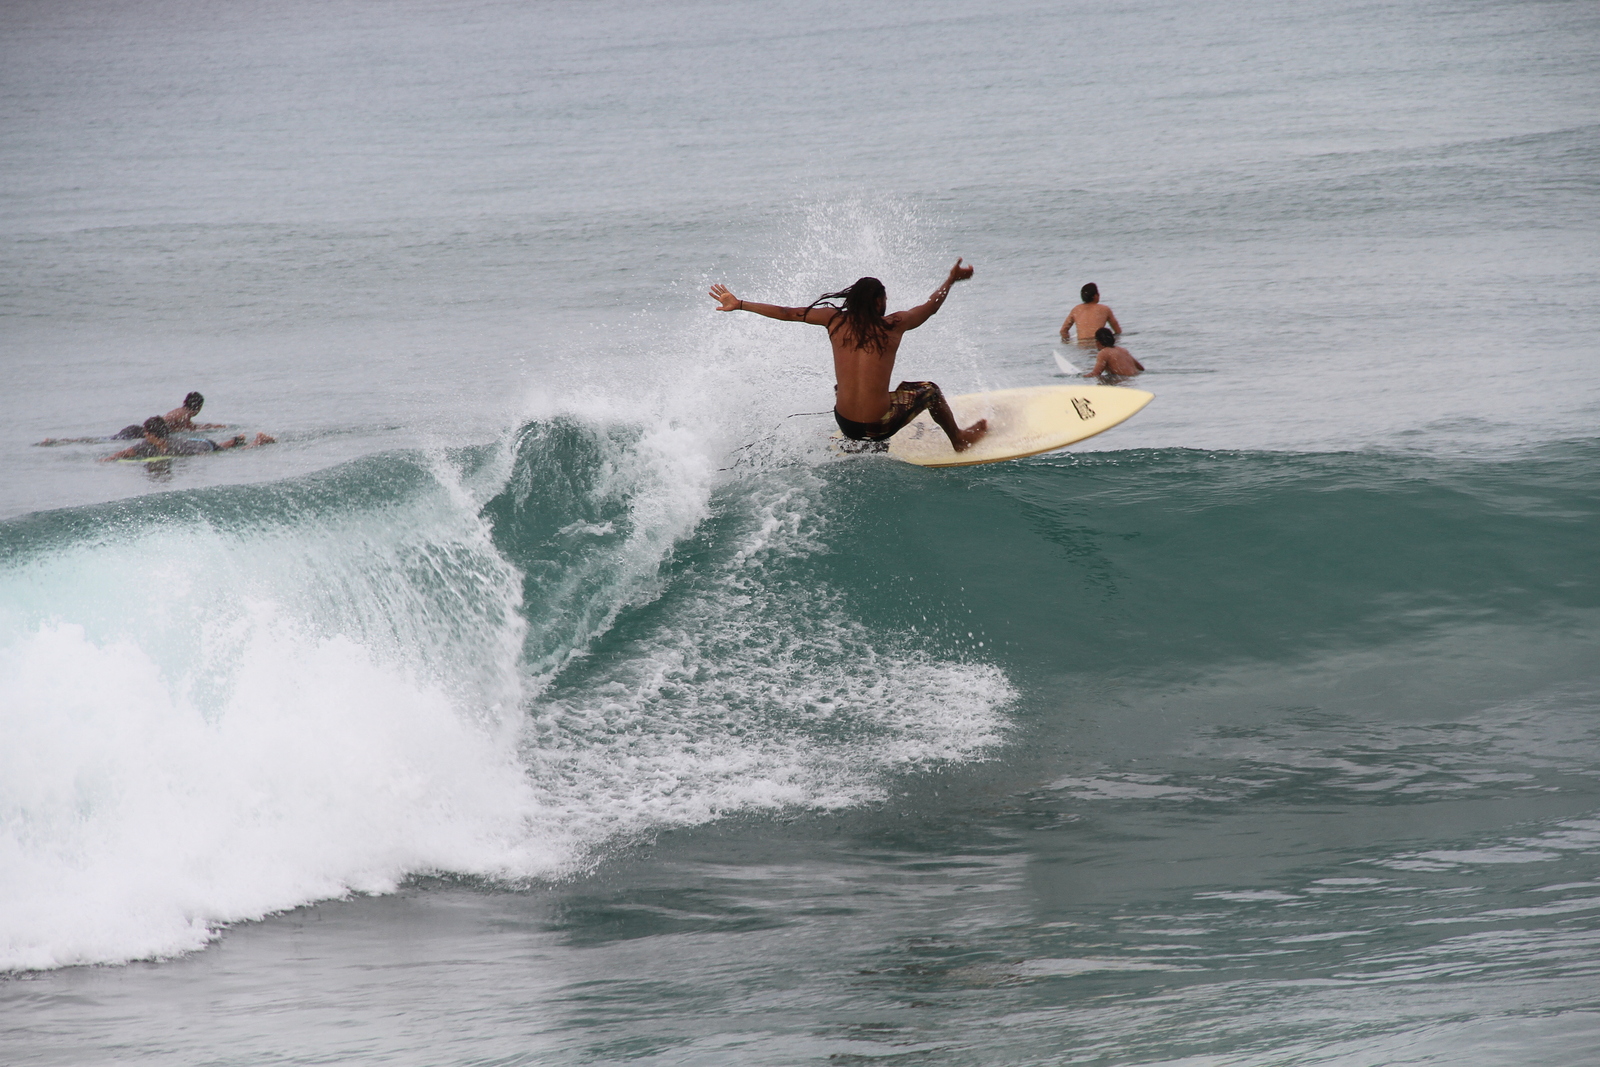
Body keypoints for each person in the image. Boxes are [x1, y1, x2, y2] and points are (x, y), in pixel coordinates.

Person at [708, 259, 988, 451]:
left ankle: (856, 443)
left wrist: (740, 303)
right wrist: (950, 280)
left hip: (845, 423)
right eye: (884, 299)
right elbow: (931, 306)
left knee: (845, 386)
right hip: (879, 426)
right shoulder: (893, 324)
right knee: (929, 391)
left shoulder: (833, 320)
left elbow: (786, 313)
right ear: (878, 302)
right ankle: (959, 440)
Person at [104, 416, 274, 460]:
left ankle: (258, 441)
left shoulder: (177, 446)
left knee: (223, 450)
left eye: (147, 432)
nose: (145, 434)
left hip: (203, 445)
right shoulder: (146, 445)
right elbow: (125, 453)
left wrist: (208, 457)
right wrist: (106, 460)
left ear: (154, 435)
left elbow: (200, 453)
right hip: (195, 442)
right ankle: (236, 440)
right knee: (223, 446)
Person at [162, 391, 226, 432]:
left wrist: (210, 426)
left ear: (184, 402)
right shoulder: (184, 415)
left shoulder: (180, 411)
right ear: (199, 407)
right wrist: (214, 427)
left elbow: (193, 426)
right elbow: (192, 430)